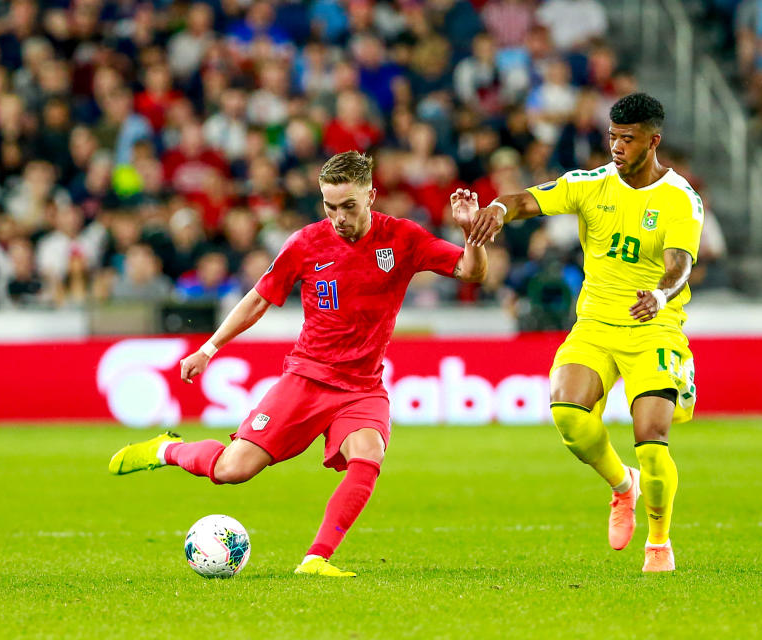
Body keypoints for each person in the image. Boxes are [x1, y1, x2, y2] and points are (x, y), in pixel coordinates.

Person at [109, 151, 487, 577]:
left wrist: (472, 233)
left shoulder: (402, 237)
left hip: (362, 386)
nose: (339, 217)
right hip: (308, 378)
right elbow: (257, 300)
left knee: (368, 455)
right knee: (232, 470)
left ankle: (316, 559)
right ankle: (166, 448)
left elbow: (471, 273)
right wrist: (209, 349)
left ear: (371, 197)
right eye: (330, 206)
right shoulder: (306, 244)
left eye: (349, 206)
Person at [468, 93, 703, 573]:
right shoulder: (591, 184)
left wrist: (659, 296)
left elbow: (679, 264)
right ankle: (623, 486)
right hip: (594, 324)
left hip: (653, 327)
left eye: (628, 139)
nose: (616, 147)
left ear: (653, 141)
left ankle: (659, 544)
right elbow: (527, 200)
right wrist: (497, 208)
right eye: (612, 137)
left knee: (652, 440)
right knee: (568, 415)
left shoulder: (680, 198)